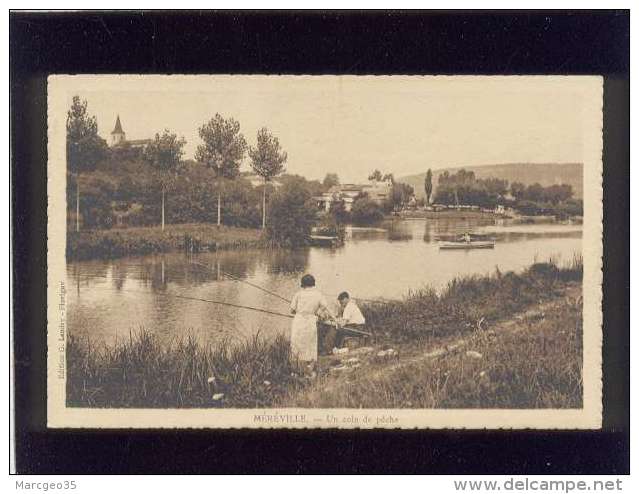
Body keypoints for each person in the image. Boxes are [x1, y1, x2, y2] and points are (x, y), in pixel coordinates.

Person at [289, 274, 334, 363]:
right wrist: (317, 313)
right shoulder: (318, 294)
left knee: (297, 342)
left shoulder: (298, 294)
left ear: (303, 284)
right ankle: (310, 365)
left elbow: (292, 310)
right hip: (311, 321)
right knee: (310, 343)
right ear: (313, 284)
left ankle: (296, 365)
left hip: (299, 321)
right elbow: (325, 307)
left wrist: (300, 311)